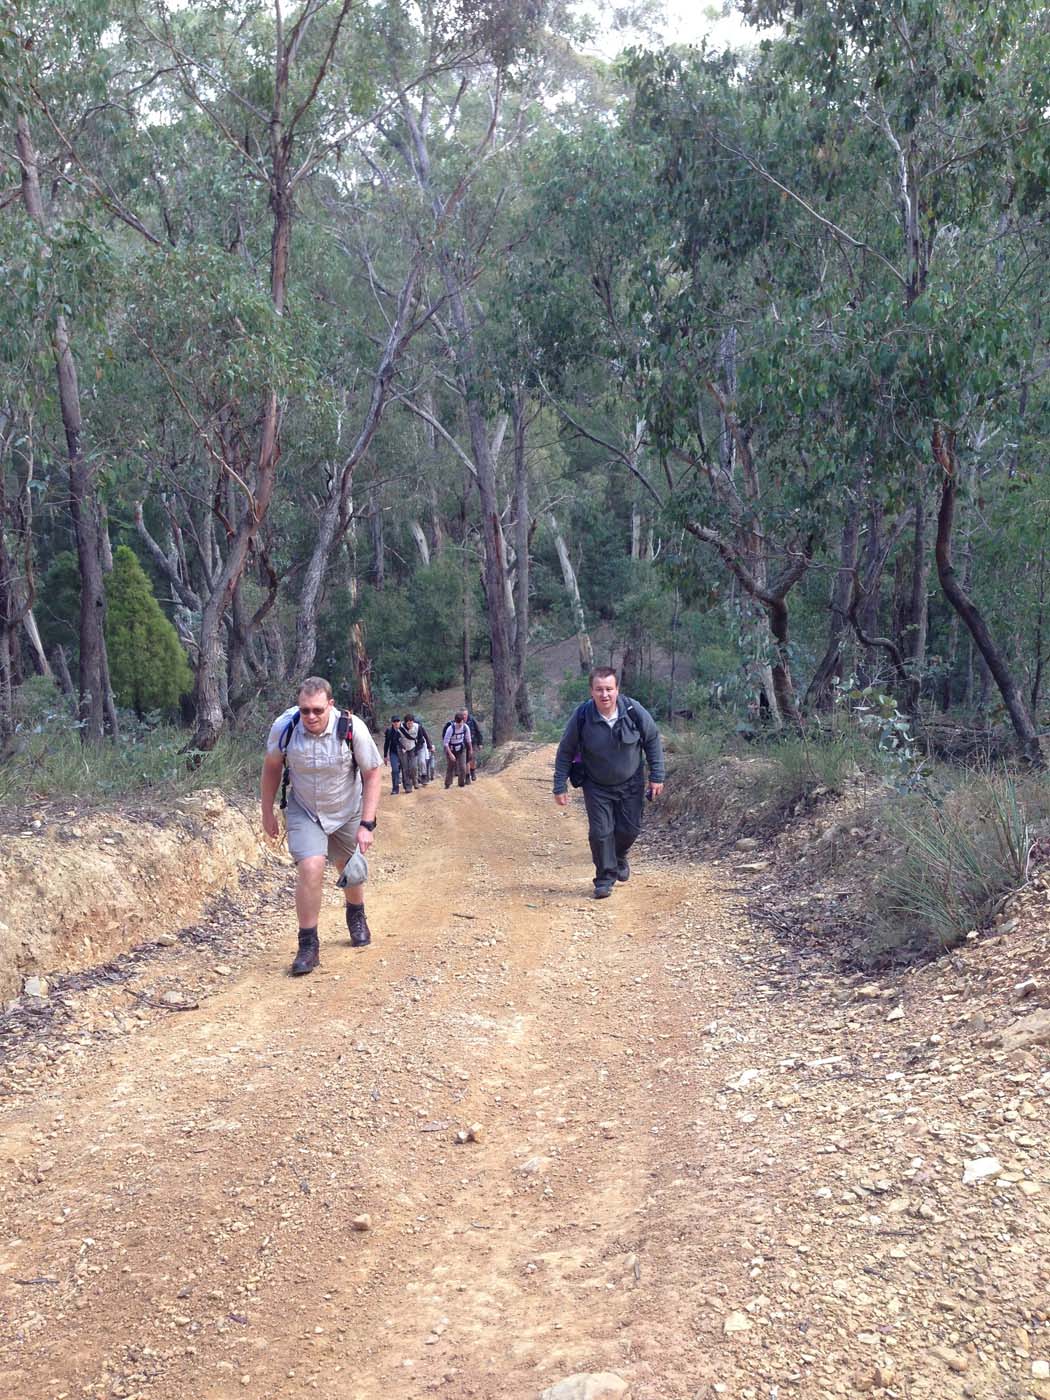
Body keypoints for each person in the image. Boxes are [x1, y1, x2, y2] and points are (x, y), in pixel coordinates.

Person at [261, 676, 382, 975]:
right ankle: (308, 945)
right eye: (305, 710)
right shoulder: (285, 727)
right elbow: (272, 766)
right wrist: (267, 811)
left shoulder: (352, 729)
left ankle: (356, 914)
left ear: (330, 705)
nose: (310, 717)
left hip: (345, 808)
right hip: (305, 809)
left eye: (317, 710)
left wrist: (366, 823)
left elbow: (372, 773)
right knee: (311, 867)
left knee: (348, 868)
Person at [552, 667, 665, 899]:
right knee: (600, 833)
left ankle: (619, 855)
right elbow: (565, 750)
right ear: (591, 691)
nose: (605, 695)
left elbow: (652, 740)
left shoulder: (633, 711)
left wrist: (657, 776)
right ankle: (604, 878)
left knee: (629, 829)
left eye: (609, 689)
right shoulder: (582, 716)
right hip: (596, 785)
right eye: (599, 690)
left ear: (617, 690)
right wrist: (559, 785)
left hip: (631, 782)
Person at [442, 711, 473, 788]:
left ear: (463, 721)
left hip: (461, 749)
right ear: (455, 721)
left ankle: (461, 783)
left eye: (461, 723)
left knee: (463, 767)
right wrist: (450, 754)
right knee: (451, 766)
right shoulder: (450, 729)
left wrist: (470, 750)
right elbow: (445, 743)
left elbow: (468, 740)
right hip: (451, 749)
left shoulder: (466, 727)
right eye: (458, 723)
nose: (459, 725)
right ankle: (447, 783)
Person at [398, 712, 422, 791]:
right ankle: (408, 786)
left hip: (413, 747)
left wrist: (417, 750)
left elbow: (420, 739)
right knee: (405, 768)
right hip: (403, 748)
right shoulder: (400, 728)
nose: (410, 725)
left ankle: (415, 781)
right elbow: (396, 740)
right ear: (405, 722)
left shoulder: (417, 727)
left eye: (411, 723)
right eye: (408, 723)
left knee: (413, 767)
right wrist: (402, 747)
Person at [382, 713, 403, 794]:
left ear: (400, 722)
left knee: (403, 769)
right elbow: (386, 743)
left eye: (398, 721)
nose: (396, 723)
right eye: (395, 721)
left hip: (403, 752)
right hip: (393, 752)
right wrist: (385, 756)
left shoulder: (404, 729)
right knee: (395, 770)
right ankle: (395, 788)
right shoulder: (389, 731)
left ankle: (407, 785)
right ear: (392, 723)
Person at [465, 710, 483, 782]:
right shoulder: (459, 720)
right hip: (463, 743)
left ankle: (472, 772)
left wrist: (480, 743)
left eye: (465, 714)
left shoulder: (472, 721)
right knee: (466, 760)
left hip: (473, 742)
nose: (463, 716)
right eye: (462, 715)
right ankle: (467, 776)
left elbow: (478, 731)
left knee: (472, 758)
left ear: (467, 714)